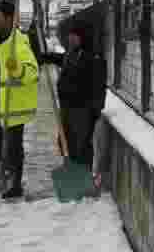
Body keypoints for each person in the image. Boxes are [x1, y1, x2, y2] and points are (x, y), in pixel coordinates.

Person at [0, 0, 40, 200]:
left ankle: (14, 186)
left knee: (12, 148)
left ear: (10, 19)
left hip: (13, 107)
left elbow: (33, 72)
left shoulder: (18, 43)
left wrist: (18, 70)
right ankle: (3, 174)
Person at [38, 22, 107, 184]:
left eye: (74, 35)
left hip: (82, 109)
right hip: (68, 108)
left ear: (82, 37)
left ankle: (83, 178)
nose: (70, 38)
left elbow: (99, 85)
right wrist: (48, 57)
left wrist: (96, 109)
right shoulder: (72, 53)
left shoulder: (91, 57)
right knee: (66, 143)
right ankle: (73, 174)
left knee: (80, 145)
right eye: (70, 35)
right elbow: (64, 60)